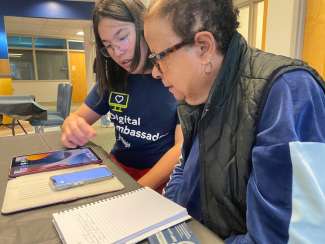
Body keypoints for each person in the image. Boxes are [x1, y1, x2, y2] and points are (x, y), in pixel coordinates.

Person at [144, 0, 325, 242]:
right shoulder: (196, 94)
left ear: (204, 47)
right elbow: (185, 172)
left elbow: (283, 237)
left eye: (159, 58)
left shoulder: (288, 91)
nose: (155, 72)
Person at [61, 0, 183, 191]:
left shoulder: (175, 79)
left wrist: (135, 189)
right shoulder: (114, 79)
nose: (117, 52)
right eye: (108, 45)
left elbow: (180, 149)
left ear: (145, 29)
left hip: (159, 176)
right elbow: (76, 118)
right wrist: (71, 126)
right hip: (118, 168)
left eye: (122, 37)